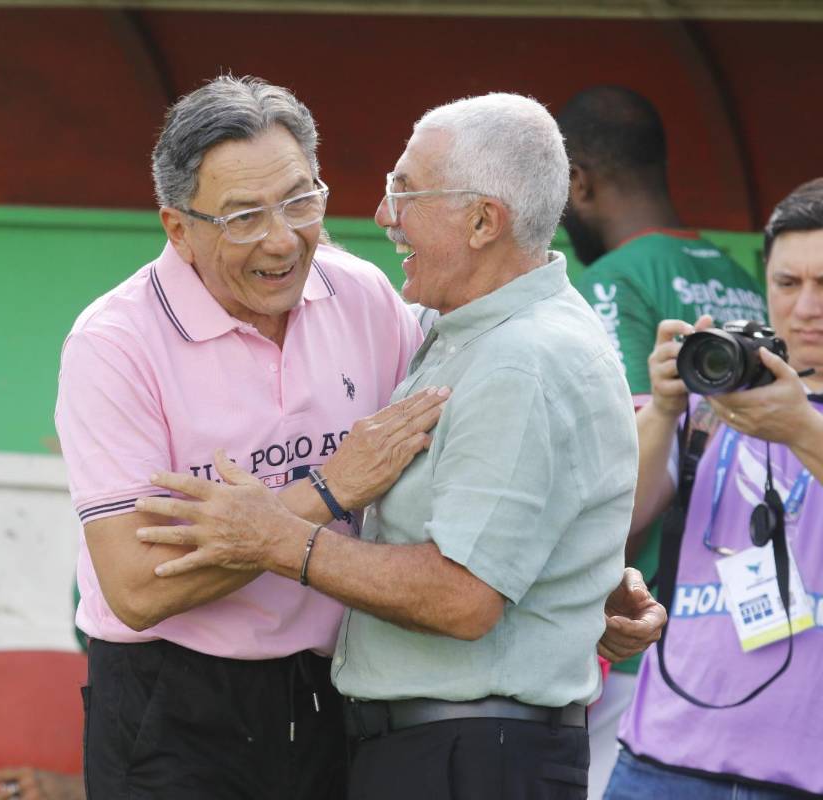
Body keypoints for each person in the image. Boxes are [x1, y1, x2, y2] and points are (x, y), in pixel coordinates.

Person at [56, 77, 664, 800]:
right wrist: (324, 493)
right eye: (245, 215)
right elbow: (133, 589)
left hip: (332, 700)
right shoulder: (115, 342)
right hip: (173, 707)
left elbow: (499, 466)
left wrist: (571, 578)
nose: (282, 239)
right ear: (178, 227)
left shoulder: (368, 297)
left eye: (301, 199)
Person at [556, 85, 771, 796]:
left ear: (578, 181)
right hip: (735, 614)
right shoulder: (743, 276)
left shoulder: (612, 281)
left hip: (643, 619)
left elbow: (618, 471)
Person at [604, 178, 823, 798]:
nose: (805, 307)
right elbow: (616, 525)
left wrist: (802, 427)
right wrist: (666, 411)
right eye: (787, 284)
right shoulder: (713, 399)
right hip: (661, 756)